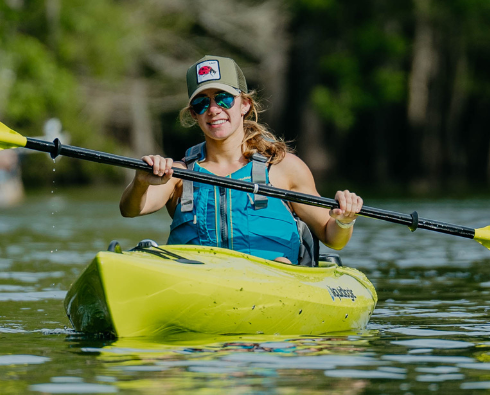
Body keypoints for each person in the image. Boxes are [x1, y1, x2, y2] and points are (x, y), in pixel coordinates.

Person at [119, 56, 362, 263]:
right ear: (194, 113)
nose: (213, 109)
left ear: (244, 104)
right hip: (196, 286)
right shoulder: (177, 175)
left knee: (280, 262)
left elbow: (332, 237)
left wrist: (344, 221)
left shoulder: (284, 169)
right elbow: (131, 210)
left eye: (223, 98)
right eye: (202, 103)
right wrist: (141, 181)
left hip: (274, 283)